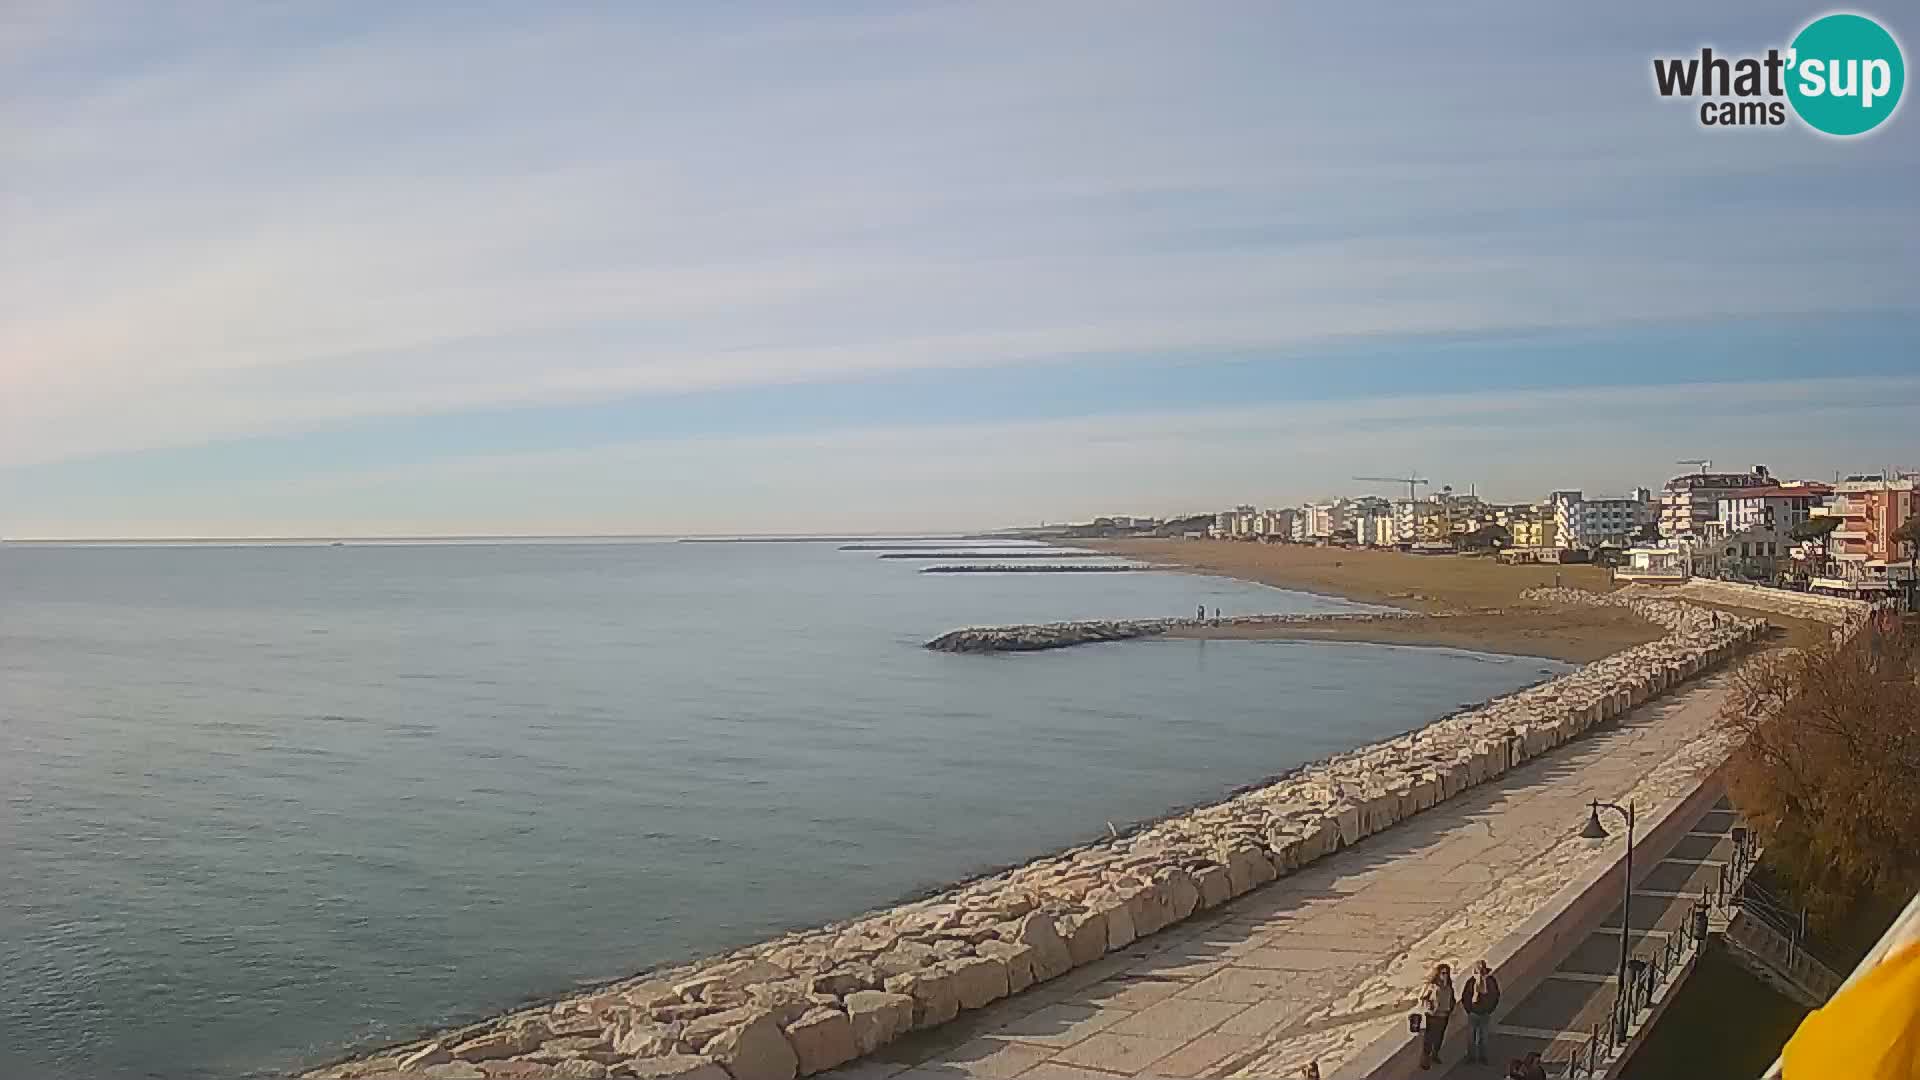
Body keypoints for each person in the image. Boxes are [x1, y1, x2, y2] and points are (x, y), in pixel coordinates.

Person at [1459, 959, 1501, 1064]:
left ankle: (1483, 1057)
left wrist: (1489, 1009)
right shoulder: (1471, 982)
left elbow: (1495, 996)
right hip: (1473, 1013)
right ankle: (1471, 1057)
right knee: (1471, 1037)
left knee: (1484, 1037)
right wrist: (1469, 1010)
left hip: (1485, 1013)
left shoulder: (1490, 982)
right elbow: (1465, 997)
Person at [1417, 962, 1454, 1069]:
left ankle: (1435, 1055)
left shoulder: (1449, 986)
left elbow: (1452, 998)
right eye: (1442, 973)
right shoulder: (1432, 986)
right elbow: (1422, 998)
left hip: (1444, 1015)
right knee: (1429, 1039)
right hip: (1433, 1016)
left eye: (1446, 973)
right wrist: (1430, 1005)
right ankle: (1425, 1060)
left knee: (1439, 1038)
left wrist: (1451, 1008)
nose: (1445, 975)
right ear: (1438, 974)